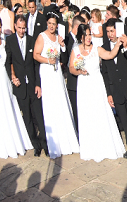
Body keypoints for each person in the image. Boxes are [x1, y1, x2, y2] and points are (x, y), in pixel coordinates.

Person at [71, 23, 125, 162]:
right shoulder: (75, 50)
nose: (89, 37)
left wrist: (118, 44)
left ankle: (104, 144)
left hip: (96, 84)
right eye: (86, 35)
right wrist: (79, 71)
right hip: (83, 85)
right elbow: (71, 68)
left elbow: (110, 55)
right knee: (87, 113)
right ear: (80, 37)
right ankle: (90, 146)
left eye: (90, 34)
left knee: (99, 112)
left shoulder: (97, 48)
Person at [0, 18, 32, 158]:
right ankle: (3, 143)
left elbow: (9, 61)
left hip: (5, 78)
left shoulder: (4, 41)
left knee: (9, 107)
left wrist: (13, 75)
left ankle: (15, 140)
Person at [32, 14, 79, 158]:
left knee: (60, 103)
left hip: (57, 73)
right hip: (46, 73)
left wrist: (63, 45)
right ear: (47, 23)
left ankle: (66, 140)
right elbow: (35, 54)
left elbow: (64, 58)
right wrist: (47, 60)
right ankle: (53, 142)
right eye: (50, 23)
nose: (52, 26)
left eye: (54, 24)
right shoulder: (42, 37)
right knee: (50, 104)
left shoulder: (58, 37)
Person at [99, 19, 127, 162]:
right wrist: (109, 93)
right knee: (125, 122)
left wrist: (124, 47)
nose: (110, 34)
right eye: (107, 31)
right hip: (117, 91)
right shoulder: (104, 47)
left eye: (112, 31)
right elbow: (105, 73)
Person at [5, 14, 48, 158]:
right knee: (28, 118)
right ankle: (35, 145)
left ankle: (45, 144)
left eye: (24, 28)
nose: (22, 31)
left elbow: (35, 65)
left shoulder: (31, 40)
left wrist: (38, 84)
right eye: (20, 28)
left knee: (39, 116)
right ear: (15, 27)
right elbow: (8, 61)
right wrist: (13, 77)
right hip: (20, 86)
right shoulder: (10, 41)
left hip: (32, 85)